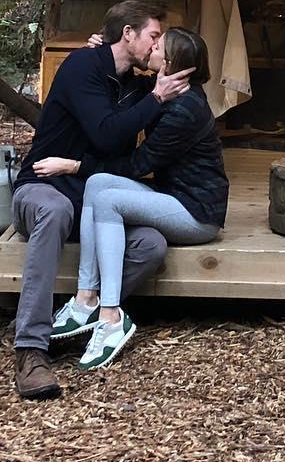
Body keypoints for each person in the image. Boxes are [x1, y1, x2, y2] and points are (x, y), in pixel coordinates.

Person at [11, 1, 194, 401]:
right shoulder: (83, 67)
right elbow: (107, 134)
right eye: (153, 36)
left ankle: (87, 314)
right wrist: (156, 99)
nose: (157, 45)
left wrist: (166, 85)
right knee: (55, 211)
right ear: (128, 34)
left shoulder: (138, 84)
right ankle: (31, 349)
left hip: (93, 199)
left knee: (151, 244)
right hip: (43, 186)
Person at [33, 27, 228, 371]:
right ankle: (85, 298)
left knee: (108, 199)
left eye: (158, 46)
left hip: (196, 214)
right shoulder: (165, 91)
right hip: (173, 196)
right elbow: (126, 82)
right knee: (98, 184)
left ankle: (110, 316)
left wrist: (74, 165)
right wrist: (102, 51)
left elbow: (138, 165)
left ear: (170, 63)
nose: (151, 47)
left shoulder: (185, 110)